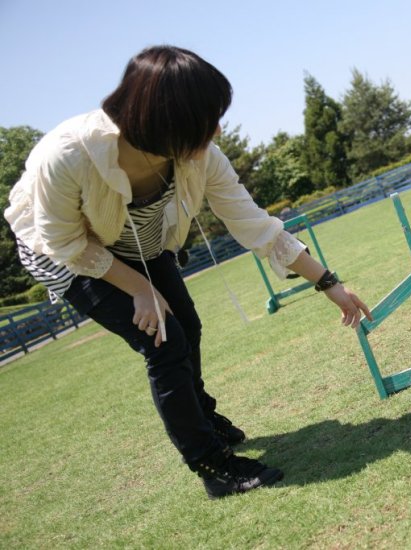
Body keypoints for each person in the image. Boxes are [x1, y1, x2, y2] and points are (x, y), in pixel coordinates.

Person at [4, 45, 372, 499]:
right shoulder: (67, 155)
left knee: (188, 325)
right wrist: (138, 288)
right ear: (166, 119)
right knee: (164, 340)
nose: (218, 128)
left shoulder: (201, 155)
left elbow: (255, 224)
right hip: (68, 252)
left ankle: (203, 417)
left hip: (140, 240)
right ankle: (212, 466)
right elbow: (63, 243)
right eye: (208, 117)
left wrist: (329, 283)